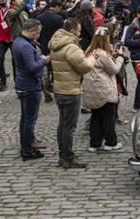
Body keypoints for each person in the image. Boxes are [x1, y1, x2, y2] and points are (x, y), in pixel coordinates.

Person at [49, 18, 95, 169]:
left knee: (63, 124)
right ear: (73, 30)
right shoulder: (71, 47)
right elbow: (85, 67)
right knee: (69, 126)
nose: (80, 32)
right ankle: (68, 157)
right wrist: (93, 58)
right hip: (70, 90)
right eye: (79, 30)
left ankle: (63, 155)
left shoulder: (56, 43)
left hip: (59, 89)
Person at [12, 19, 51, 160]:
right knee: (29, 120)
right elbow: (32, 67)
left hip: (23, 84)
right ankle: (27, 150)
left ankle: (25, 146)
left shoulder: (18, 41)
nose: (39, 35)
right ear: (33, 30)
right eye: (38, 32)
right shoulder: (25, 46)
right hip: (30, 86)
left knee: (25, 119)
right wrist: (44, 60)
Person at [83, 27, 126, 152]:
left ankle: (95, 144)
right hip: (104, 89)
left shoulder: (89, 51)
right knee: (108, 117)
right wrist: (120, 57)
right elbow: (114, 69)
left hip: (92, 90)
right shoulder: (103, 54)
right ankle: (110, 143)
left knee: (96, 116)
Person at [36, 0, 65, 103]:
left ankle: (46, 86)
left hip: (42, 46)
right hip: (55, 47)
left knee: (44, 69)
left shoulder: (39, 17)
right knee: (55, 69)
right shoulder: (59, 19)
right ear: (57, 7)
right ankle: (55, 86)